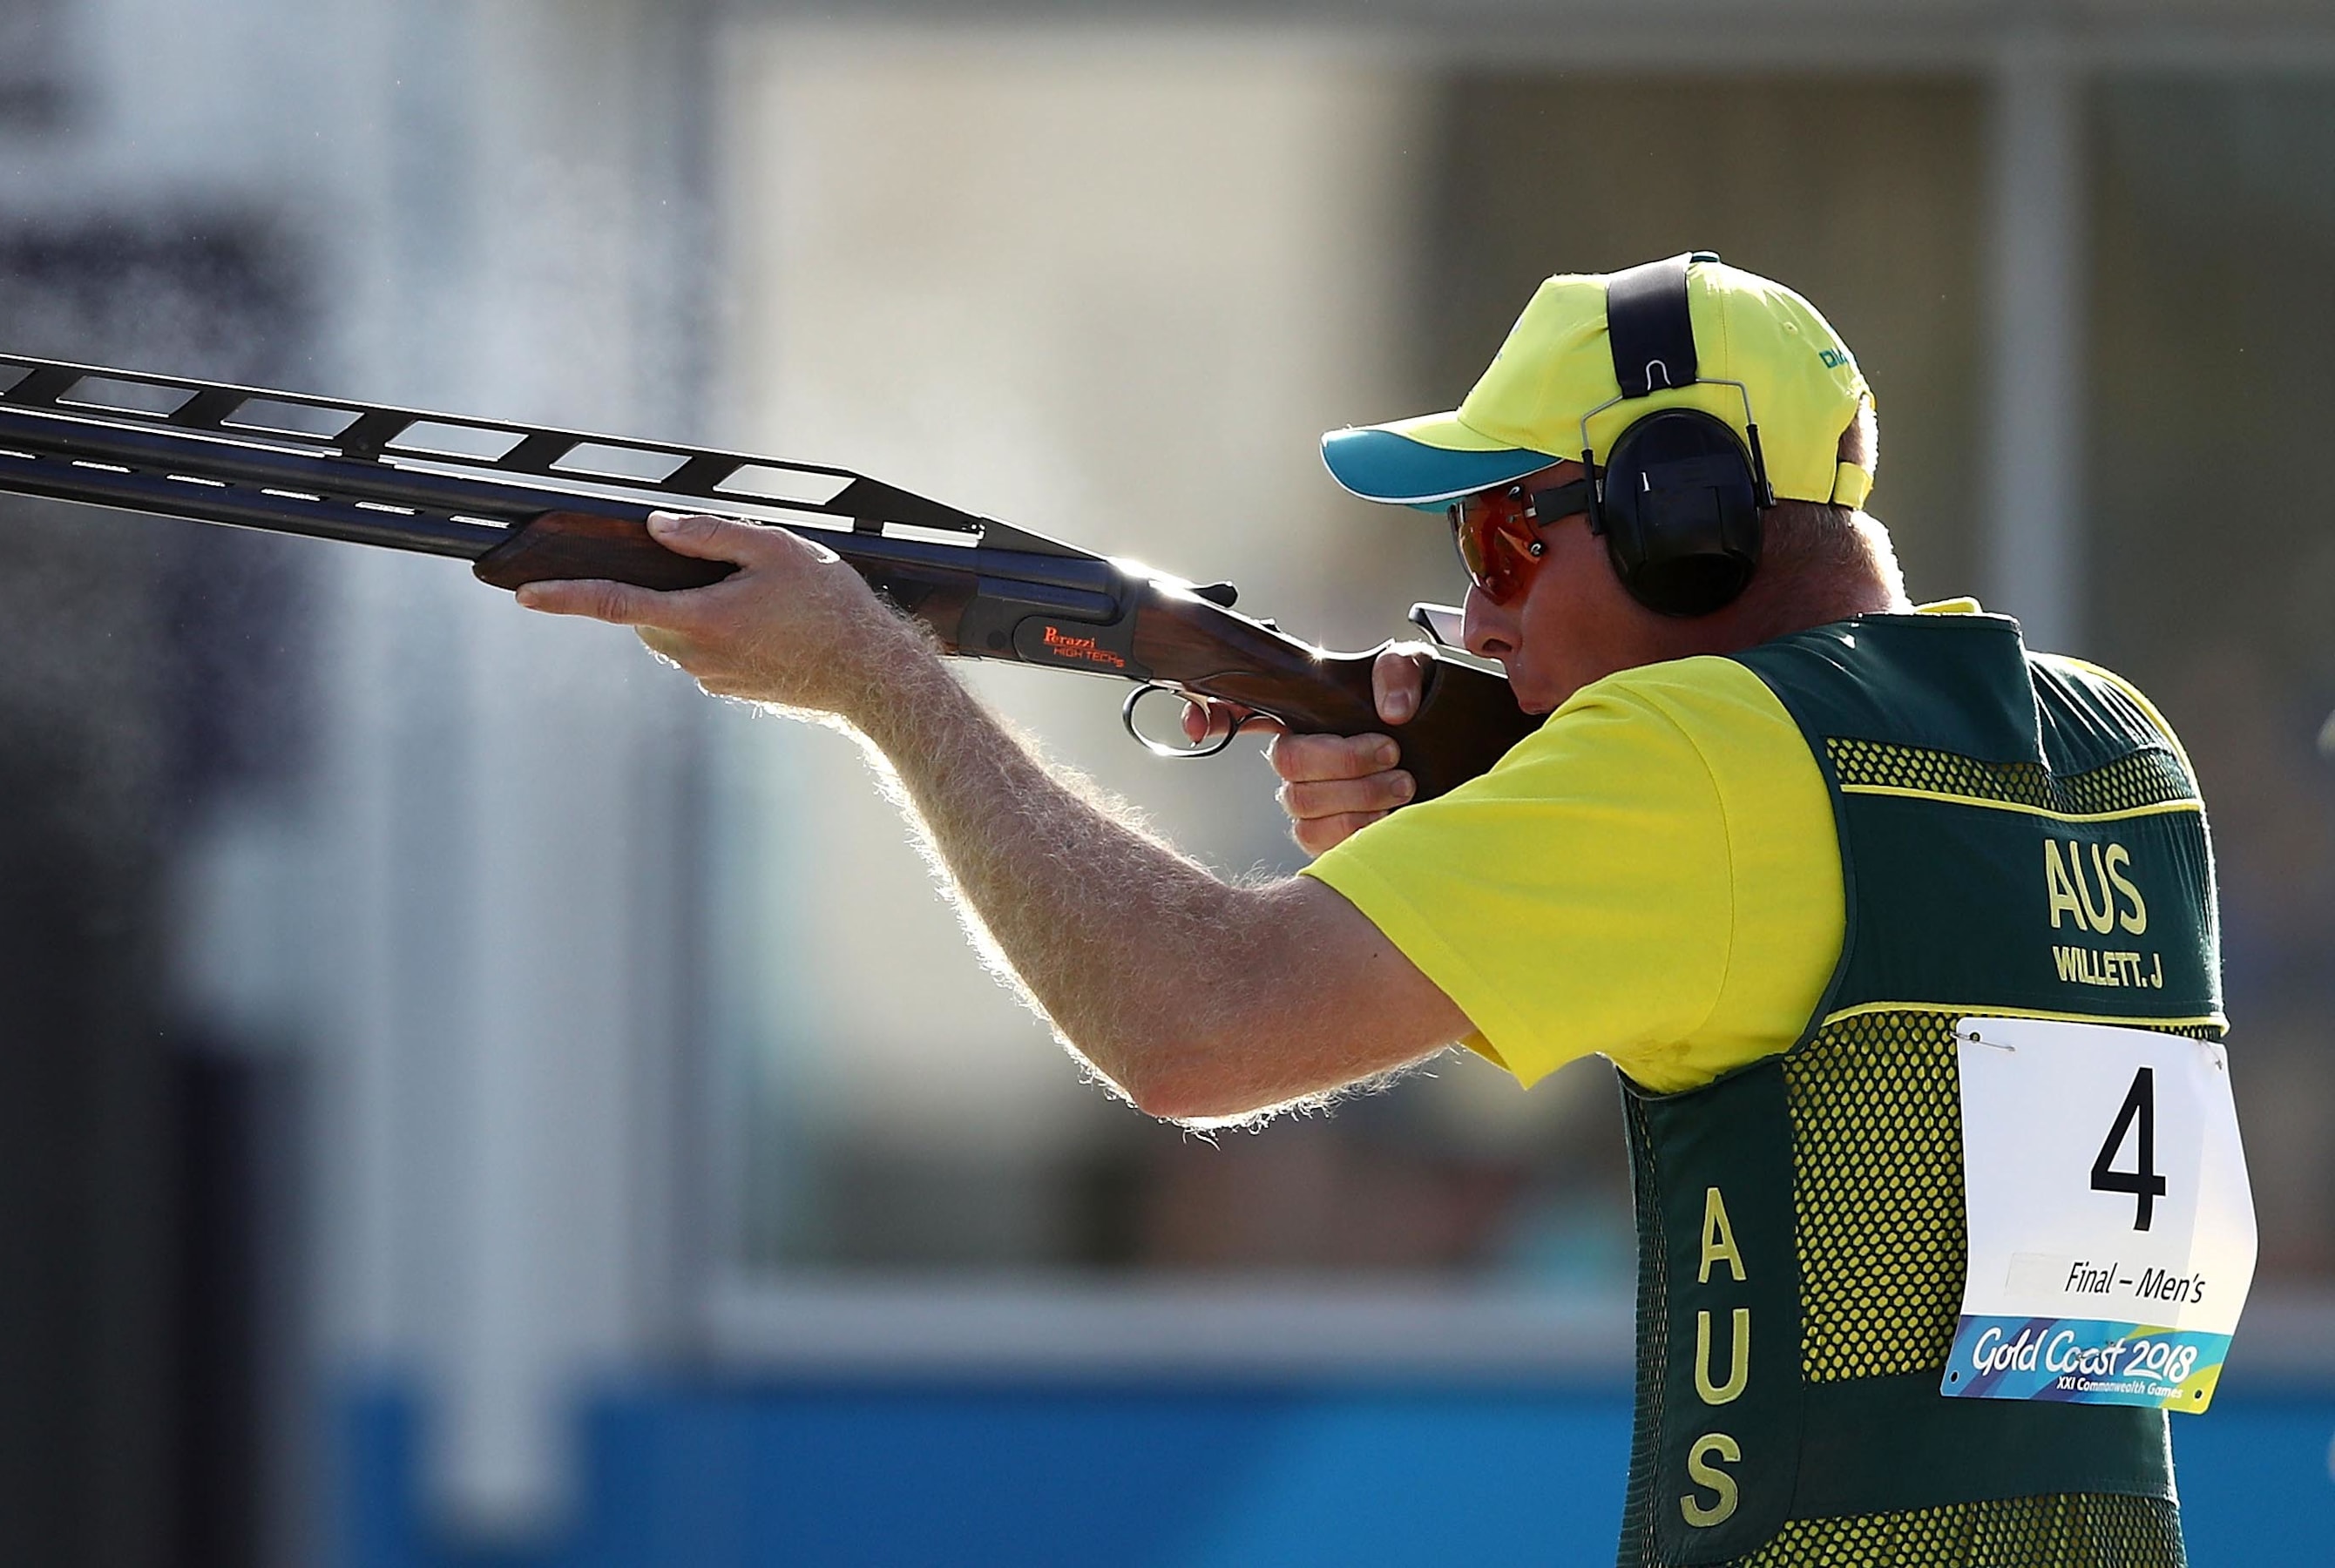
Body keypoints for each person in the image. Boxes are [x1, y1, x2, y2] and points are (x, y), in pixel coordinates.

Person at [515, 253, 2234, 1565]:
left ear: (1680, 516)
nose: (1476, 619)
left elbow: (1194, 1032)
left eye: (1500, 534)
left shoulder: (1704, 752)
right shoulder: (2106, 745)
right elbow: (1836, 988)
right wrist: (1474, 839)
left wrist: (881, 680)